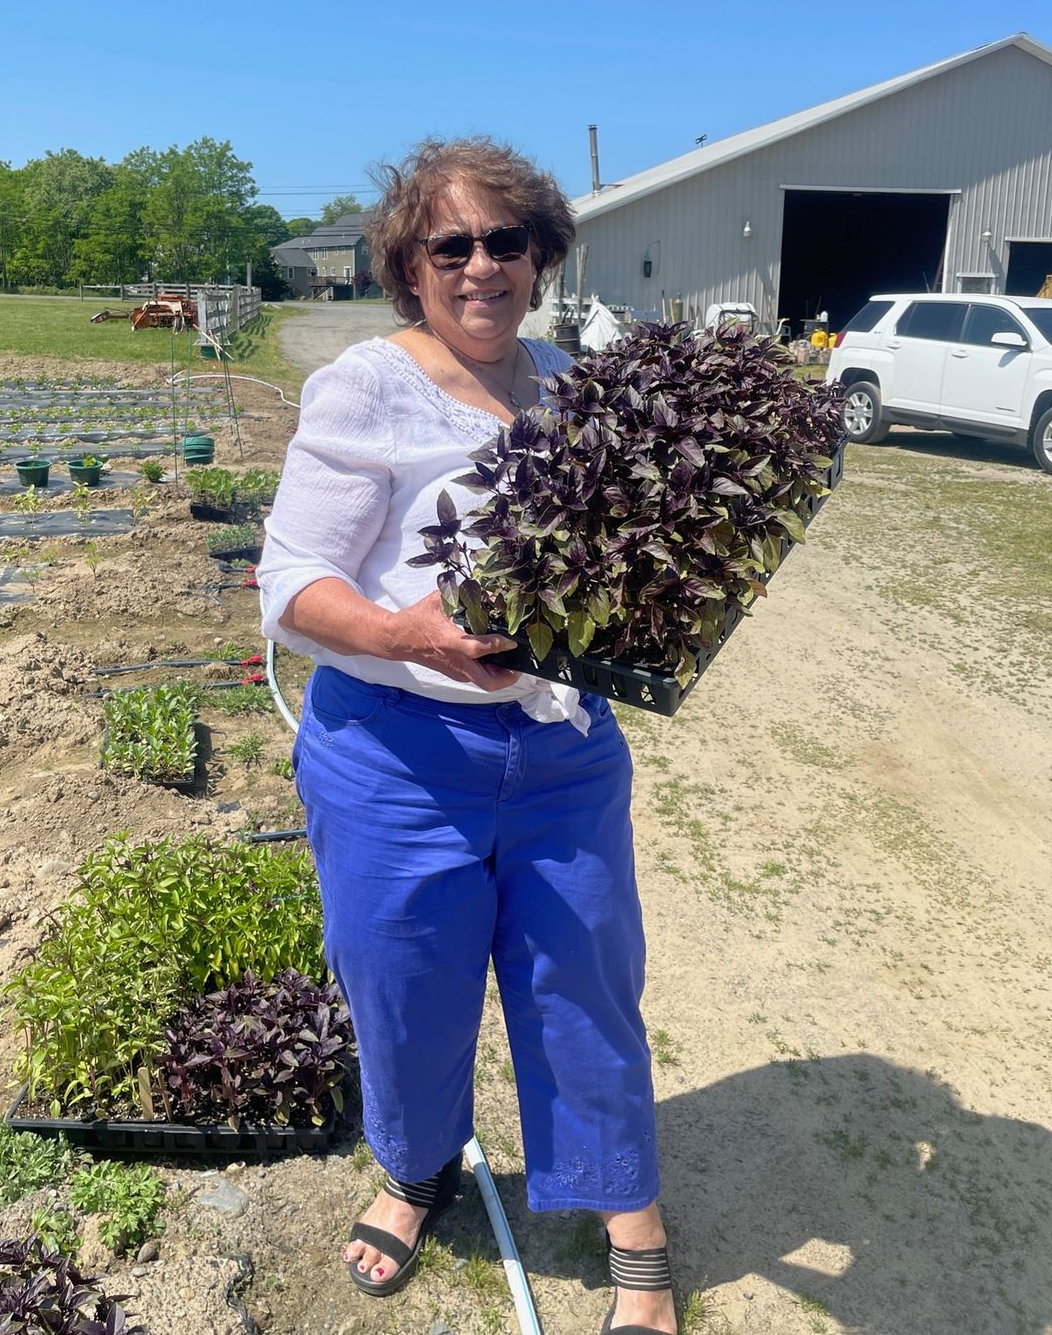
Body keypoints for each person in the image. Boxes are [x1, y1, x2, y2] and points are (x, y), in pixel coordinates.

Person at [258, 137, 677, 1334]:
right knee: (406, 987)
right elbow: (291, 583)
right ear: (410, 264)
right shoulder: (363, 387)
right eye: (453, 245)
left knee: (586, 979)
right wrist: (406, 633)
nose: (482, 264)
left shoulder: (569, 381)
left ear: (542, 256)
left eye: (507, 240)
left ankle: (629, 1214)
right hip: (395, 753)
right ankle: (415, 1165)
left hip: (561, 751)